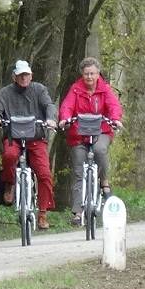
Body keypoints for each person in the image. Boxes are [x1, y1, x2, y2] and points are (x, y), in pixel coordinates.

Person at [0, 60, 58, 230]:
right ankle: (10, 183)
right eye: (20, 75)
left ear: (31, 75)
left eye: (26, 74)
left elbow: (49, 105)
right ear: (14, 76)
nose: (23, 78)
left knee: (44, 174)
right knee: (9, 156)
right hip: (13, 137)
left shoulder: (39, 90)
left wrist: (50, 119)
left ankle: (42, 213)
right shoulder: (5, 93)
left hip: (36, 138)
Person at [57, 57, 124, 226]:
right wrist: (64, 119)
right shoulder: (75, 89)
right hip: (79, 134)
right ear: (82, 74)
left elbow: (113, 105)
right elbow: (67, 106)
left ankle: (104, 183)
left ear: (97, 74)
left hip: (101, 131)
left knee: (100, 150)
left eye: (92, 73)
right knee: (79, 170)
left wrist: (115, 119)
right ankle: (78, 213)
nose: (89, 77)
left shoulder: (104, 89)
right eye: (86, 74)